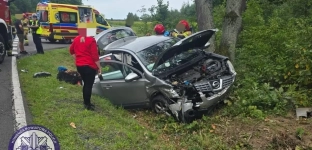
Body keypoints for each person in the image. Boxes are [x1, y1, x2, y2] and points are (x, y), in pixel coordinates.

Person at [69, 35, 101, 110]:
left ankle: (86, 102)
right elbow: (95, 56)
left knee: (85, 84)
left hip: (80, 66)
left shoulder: (77, 38)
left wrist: (77, 59)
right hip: (89, 66)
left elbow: (71, 50)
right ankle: (87, 105)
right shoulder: (91, 40)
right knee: (88, 85)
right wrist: (99, 67)